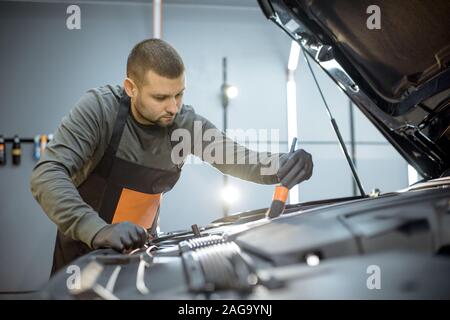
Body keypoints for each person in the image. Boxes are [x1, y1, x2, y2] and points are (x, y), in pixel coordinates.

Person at [30, 38, 313, 274]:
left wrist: (282, 164)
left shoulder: (183, 125)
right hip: (82, 253)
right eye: (161, 98)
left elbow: (237, 158)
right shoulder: (100, 111)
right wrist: (97, 230)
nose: (173, 107)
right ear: (131, 88)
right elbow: (47, 174)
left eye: (179, 95)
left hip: (141, 254)